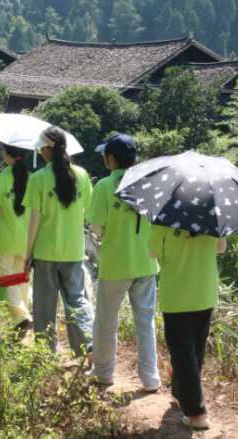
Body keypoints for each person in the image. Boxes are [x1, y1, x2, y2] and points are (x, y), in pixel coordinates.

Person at [85, 133, 161, 393]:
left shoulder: (106, 186)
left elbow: (95, 226)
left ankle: (104, 373)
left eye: (105, 154)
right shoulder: (149, 182)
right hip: (147, 263)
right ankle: (150, 378)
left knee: (106, 321)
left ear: (112, 158)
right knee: (145, 322)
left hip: (116, 264)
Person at [22, 126, 94, 358]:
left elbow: (33, 221)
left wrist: (27, 255)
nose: (40, 152)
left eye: (42, 147)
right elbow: (88, 213)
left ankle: (46, 353)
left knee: (44, 305)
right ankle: (87, 347)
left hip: (45, 253)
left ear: (49, 149)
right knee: (78, 300)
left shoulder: (39, 178)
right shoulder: (81, 175)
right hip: (73, 252)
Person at [148, 226, 227, 429]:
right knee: (195, 349)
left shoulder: (164, 216)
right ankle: (180, 392)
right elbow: (221, 247)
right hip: (205, 291)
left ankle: (197, 412)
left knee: (182, 350)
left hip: (176, 293)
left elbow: (152, 252)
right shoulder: (212, 211)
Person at [0, 143, 33, 336]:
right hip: (27, 242)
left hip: (4, 241)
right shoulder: (34, 179)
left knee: (4, 279)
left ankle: (21, 317)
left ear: (5, 154)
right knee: (22, 281)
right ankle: (21, 324)